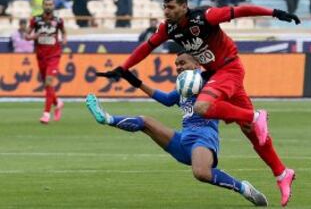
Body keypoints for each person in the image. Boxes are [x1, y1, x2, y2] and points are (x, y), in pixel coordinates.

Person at [97, 0, 300, 206]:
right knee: (253, 133)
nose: (166, 11)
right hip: (216, 73)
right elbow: (146, 48)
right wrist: (123, 67)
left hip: (229, 68)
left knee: (203, 107)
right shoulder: (168, 29)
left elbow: (238, 11)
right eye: (164, 6)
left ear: (184, 6)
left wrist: (274, 12)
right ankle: (282, 173)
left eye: (171, 6)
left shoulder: (204, 16)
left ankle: (254, 116)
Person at [89, 52, 268, 207]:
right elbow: (166, 99)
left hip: (204, 137)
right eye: (176, 64)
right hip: (183, 141)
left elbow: (227, 78)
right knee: (146, 122)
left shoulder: (209, 82)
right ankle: (108, 118)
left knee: (201, 173)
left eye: (183, 63)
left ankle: (244, 188)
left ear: (197, 63)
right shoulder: (184, 87)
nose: (178, 67)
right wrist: (133, 80)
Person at [25, 0, 66, 124]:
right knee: (47, 85)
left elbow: (64, 33)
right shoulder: (35, 20)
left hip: (54, 56)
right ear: (43, 6)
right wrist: (34, 36)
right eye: (46, 4)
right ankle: (57, 102)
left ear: (53, 6)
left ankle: (46, 114)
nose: (48, 6)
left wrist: (64, 40)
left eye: (50, 4)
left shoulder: (58, 20)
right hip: (41, 56)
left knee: (49, 82)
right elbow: (26, 36)